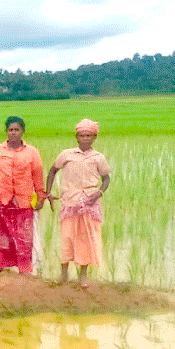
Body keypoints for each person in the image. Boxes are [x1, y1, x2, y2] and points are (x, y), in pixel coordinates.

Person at [45, 119, 111, 288]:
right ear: (77, 137)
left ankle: (83, 276)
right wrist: (49, 192)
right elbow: (52, 171)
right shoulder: (66, 154)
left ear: (94, 137)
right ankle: (64, 274)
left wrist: (99, 193)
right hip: (69, 202)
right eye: (82, 135)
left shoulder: (98, 157)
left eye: (88, 135)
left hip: (89, 203)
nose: (85, 138)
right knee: (67, 238)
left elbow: (106, 178)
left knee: (85, 239)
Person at [0, 116, 46, 276]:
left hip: (23, 202)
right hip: (0, 201)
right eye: (10, 130)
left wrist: (40, 197)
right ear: (6, 131)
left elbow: (37, 175)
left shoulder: (32, 152)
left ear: (22, 132)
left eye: (16, 130)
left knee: (24, 239)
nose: (13, 133)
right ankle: (2, 268)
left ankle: (24, 271)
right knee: (1, 237)